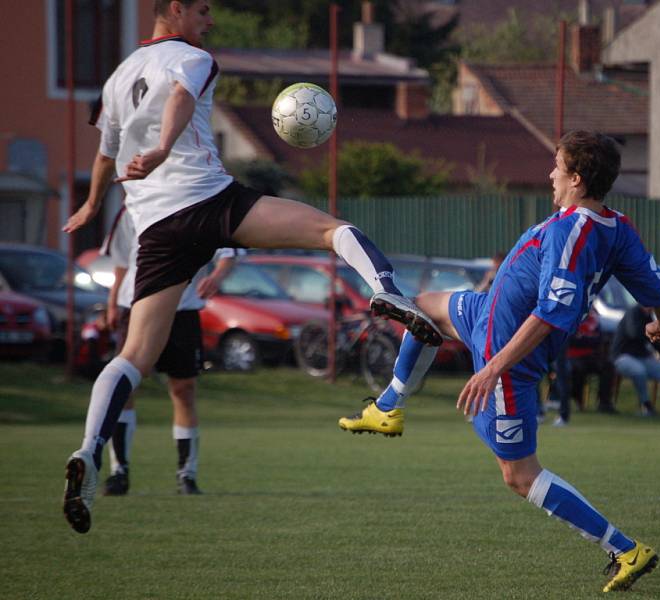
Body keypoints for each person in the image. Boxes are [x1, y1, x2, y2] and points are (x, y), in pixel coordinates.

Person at [61, 0, 440, 535]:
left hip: (157, 229)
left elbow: (105, 153)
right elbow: (180, 98)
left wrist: (91, 205)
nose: (210, 22)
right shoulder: (191, 57)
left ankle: (88, 449)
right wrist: (167, 146)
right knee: (331, 230)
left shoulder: (119, 75)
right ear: (175, 9)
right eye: (203, 11)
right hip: (210, 202)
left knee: (134, 355)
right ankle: (389, 292)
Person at [339, 130, 660, 592]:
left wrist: (493, 367)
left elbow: (550, 314)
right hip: (483, 314)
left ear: (576, 178)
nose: (549, 174)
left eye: (557, 166)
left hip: (510, 359)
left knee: (519, 476)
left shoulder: (570, 231)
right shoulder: (616, 226)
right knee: (422, 308)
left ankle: (625, 550)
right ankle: (389, 406)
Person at [102, 207, 235, 496]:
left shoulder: (202, 202)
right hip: (134, 307)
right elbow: (122, 260)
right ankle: (119, 472)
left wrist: (217, 276)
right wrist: (113, 302)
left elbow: (228, 253)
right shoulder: (134, 206)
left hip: (183, 311)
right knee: (124, 389)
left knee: (184, 389)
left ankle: (186, 475)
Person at [611, 304, 660, 418]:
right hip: (622, 357)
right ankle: (646, 405)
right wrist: (652, 332)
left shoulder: (648, 317)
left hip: (642, 358)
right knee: (639, 370)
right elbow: (633, 333)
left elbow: (654, 342)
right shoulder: (633, 313)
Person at [554, 307, 616, 425]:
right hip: (573, 356)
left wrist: (583, 338)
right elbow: (572, 340)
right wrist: (586, 339)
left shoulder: (593, 320)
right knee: (574, 370)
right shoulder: (572, 319)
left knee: (607, 366)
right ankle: (575, 402)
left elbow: (598, 339)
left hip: (590, 355)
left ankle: (604, 403)